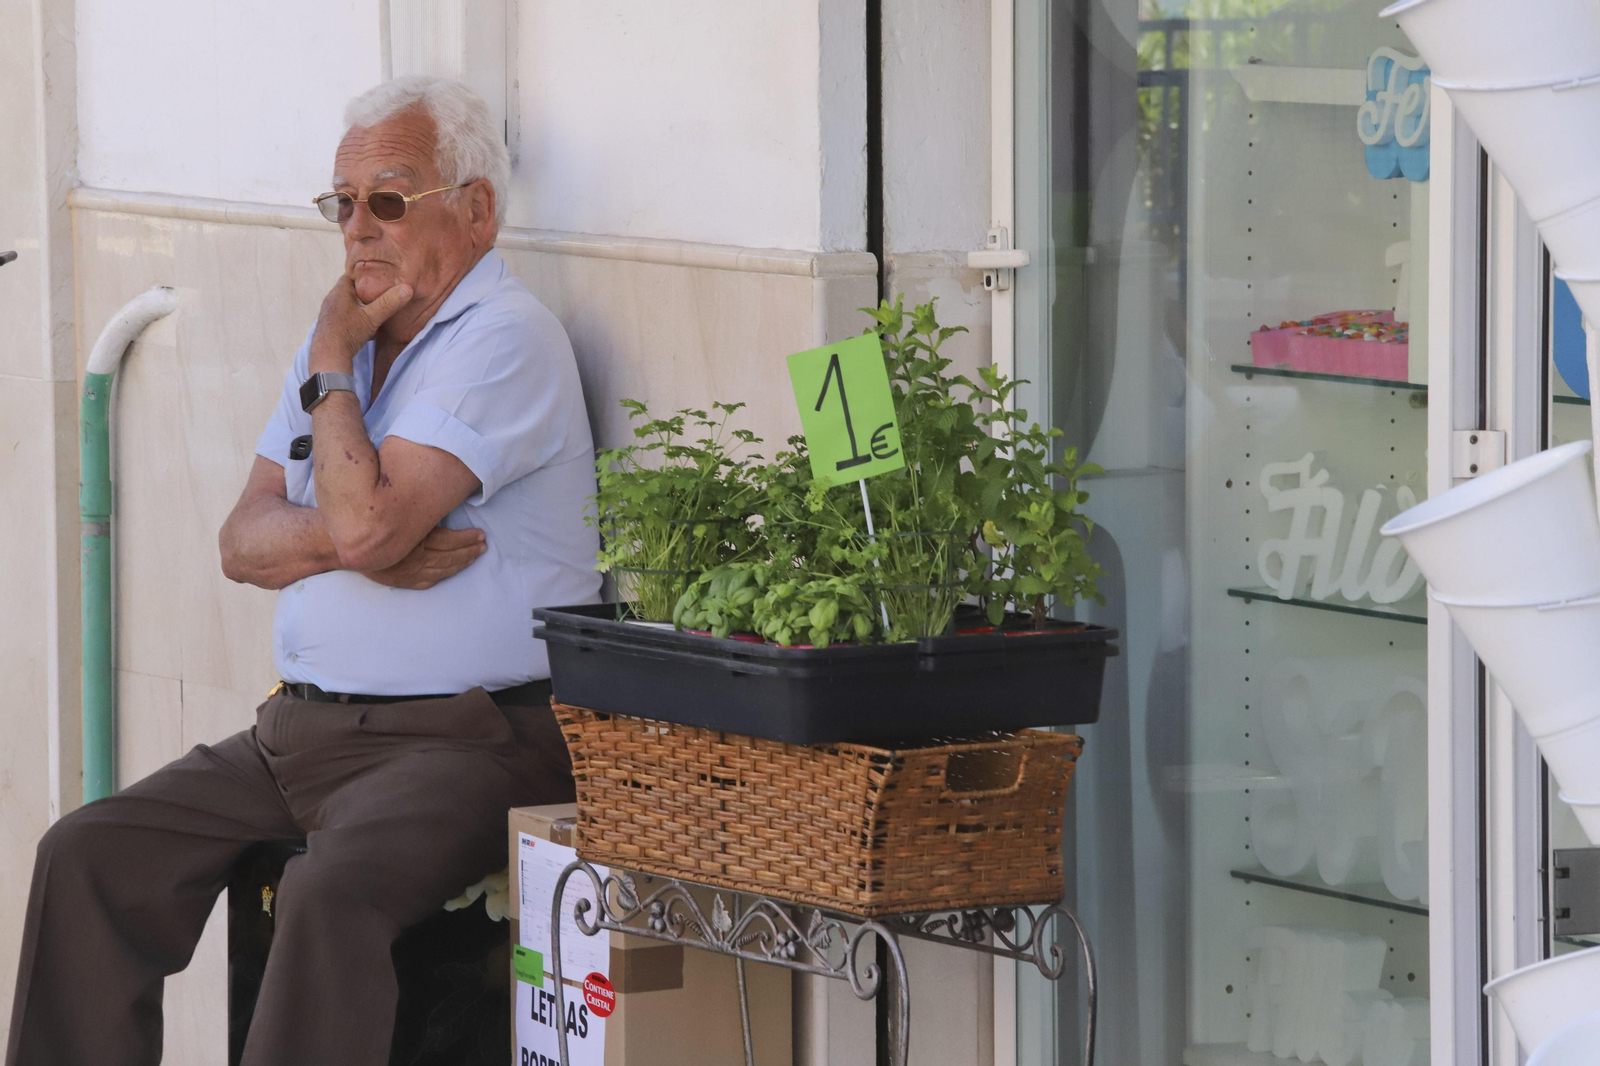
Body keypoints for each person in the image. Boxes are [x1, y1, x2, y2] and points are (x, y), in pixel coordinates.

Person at [5, 76, 599, 1066]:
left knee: (332, 890)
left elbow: (361, 528)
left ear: (476, 211)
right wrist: (363, 509)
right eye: (343, 204)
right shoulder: (339, 347)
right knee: (87, 854)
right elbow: (244, 542)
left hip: (470, 738)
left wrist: (356, 523)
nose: (358, 229)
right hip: (303, 731)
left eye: (389, 200)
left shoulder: (504, 340)